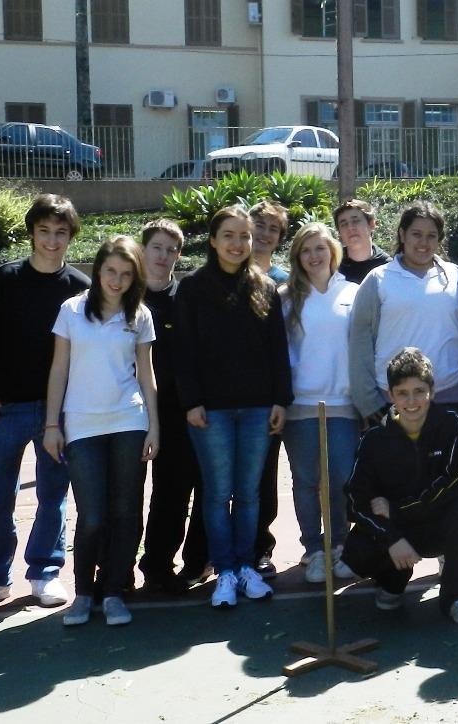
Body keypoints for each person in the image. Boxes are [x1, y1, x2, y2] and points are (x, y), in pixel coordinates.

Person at [0, 194, 89, 612]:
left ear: (71, 236)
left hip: (59, 414)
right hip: (7, 409)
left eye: (61, 233)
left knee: (54, 494)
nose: (52, 241)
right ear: (32, 233)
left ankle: (45, 573)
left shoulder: (80, 289)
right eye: (44, 232)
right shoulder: (4, 280)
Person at [174, 205, 292, 608]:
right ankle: (223, 570)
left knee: (248, 494)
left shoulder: (265, 287)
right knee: (217, 491)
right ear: (212, 240)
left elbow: (278, 350)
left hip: (259, 410)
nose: (238, 243)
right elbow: (183, 353)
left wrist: (281, 400)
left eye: (243, 236)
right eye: (229, 235)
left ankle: (245, 567)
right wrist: (191, 402)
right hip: (213, 413)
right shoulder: (191, 288)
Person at [43, 237, 159, 627]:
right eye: (110, 271)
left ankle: (112, 592)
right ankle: (82, 593)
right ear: (98, 270)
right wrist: (51, 424)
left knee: (125, 511)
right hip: (81, 424)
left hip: (129, 420)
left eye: (126, 274)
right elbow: (59, 369)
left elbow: (146, 373)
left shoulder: (139, 315)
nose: (117, 280)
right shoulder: (72, 311)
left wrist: (154, 425)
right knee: (92, 514)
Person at [341, 348, 458, 626]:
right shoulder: (374, 439)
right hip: (399, 531)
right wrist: (391, 538)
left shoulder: (452, 425)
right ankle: (393, 582)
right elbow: (356, 502)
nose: (411, 401)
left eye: (419, 391)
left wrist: (396, 509)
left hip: (435, 522)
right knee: (357, 553)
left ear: (432, 390)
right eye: (402, 393)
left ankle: (456, 596)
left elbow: (457, 483)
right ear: (390, 395)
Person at [280, 223, 359, 584]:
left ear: (332, 251)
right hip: (300, 407)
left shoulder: (353, 293)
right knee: (306, 481)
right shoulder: (287, 298)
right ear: (298, 256)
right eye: (306, 250)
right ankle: (313, 550)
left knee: (341, 479)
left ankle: (339, 545)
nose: (314, 256)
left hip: (343, 404)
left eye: (320, 248)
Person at [137, 219, 209, 594]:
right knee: (141, 496)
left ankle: (191, 562)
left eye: (171, 250)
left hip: (182, 412)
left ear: (178, 255)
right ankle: (148, 565)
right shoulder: (124, 296)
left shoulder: (187, 297)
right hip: (133, 413)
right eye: (156, 247)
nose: (163, 256)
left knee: (183, 490)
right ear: (143, 249)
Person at [349, 202, 458, 426]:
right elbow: (359, 342)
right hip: (394, 400)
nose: (424, 242)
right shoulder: (378, 279)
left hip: (450, 396)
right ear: (402, 234)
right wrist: (367, 401)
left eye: (431, 235)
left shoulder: (456, 276)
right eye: (416, 234)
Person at [248, 199, 289, 579]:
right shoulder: (229, 272)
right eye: (259, 225)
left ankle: (260, 547)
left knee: (264, 478)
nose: (264, 234)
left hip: (268, 398)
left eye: (273, 229)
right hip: (227, 400)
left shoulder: (284, 281)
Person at [335, 199, 391, 285]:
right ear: (339, 233)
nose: (350, 227)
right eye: (344, 224)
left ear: (371, 224)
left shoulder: (388, 268)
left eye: (355, 221)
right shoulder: (333, 266)